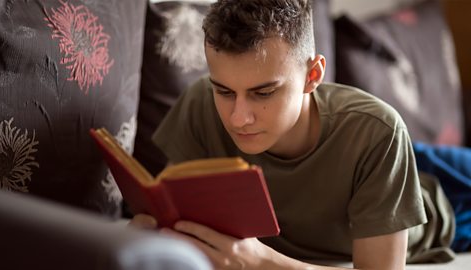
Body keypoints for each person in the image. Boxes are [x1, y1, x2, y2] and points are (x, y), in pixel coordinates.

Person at [130, 0, 453, 269]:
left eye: (264, 92)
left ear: (312, 75)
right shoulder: (201, 102)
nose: (238, 118)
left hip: (428, 193)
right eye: (225, 91)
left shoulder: (378, 134)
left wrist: (262, 263)